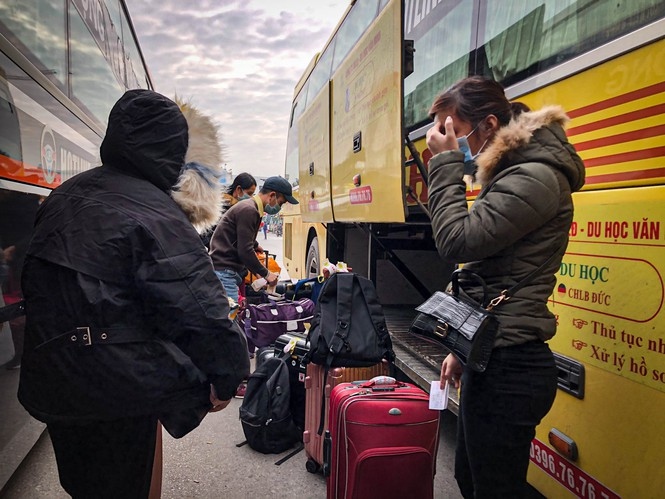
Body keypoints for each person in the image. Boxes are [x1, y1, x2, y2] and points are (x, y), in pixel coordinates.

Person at [18, 89, 250, 499]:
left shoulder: (63, 196)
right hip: (118, 390)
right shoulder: (156, 211)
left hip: (53, 376)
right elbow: (200, 307)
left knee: (84, 486)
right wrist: (227, 375)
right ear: (172, 149)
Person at [425, 76, 585, 498]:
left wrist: (444, 167)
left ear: (489, 125)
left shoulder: (535, 177)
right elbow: (488, 271)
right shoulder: (515, 173)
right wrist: (462, 350)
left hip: (513, 368)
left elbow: (455, 242)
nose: (446, 143)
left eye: (453, 133)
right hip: (493, 357)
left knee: (495, 489)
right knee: (475, 481)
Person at [209, 175, 298, 305]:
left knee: (232, 317)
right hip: (225, 272)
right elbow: (245, 250)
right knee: (229, 319)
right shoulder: (249, 210)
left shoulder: (252, 208)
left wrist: (255, 245)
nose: (280, 207)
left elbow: (240, 236)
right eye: (281, 202)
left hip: (228, 271)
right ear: (272, 195)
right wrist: (266, 274)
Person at [200, 172, 257, 249]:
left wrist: (255, 244)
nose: (250, 198)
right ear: (238, 189)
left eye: (252, 194)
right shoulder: (222, 206)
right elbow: (206, 234)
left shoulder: (238, 207)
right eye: (249, 193)